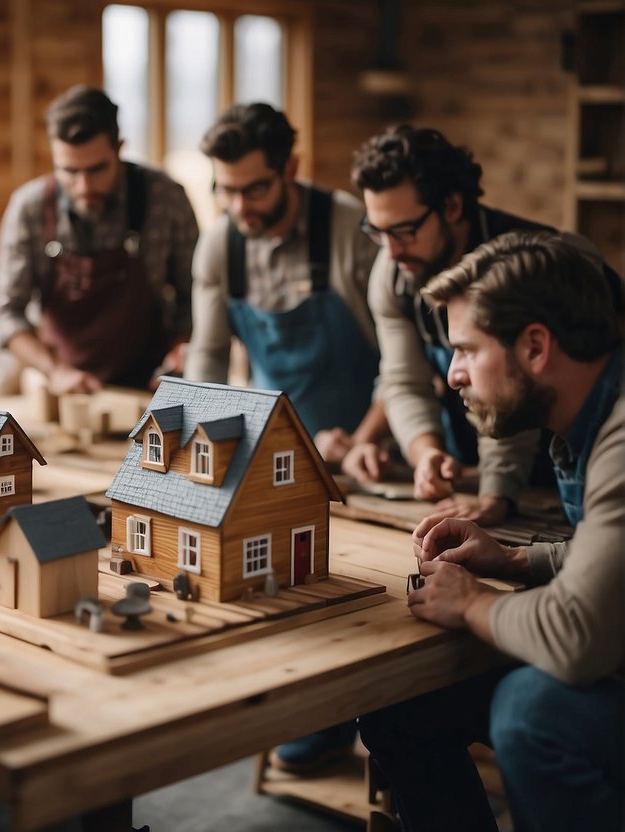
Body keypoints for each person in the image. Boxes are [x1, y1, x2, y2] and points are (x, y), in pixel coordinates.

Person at [359, 230, 623, 832]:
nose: (452, 376)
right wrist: (513, 562)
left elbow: (580, 639)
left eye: (467, 351)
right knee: (401, 700)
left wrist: (473, 602)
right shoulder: (590, 418)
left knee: (531, 712)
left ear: (535, 347)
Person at [348, 125, 622, 524]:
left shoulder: (528, 266)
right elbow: (403, 380)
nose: (390, 250)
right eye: (377, 231)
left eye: (404, 230)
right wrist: (425, 453)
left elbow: (518, 379)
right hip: (488, 457)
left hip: (580, 459)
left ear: (453, 207)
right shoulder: (393, 275)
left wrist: (497, 492)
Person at [185, 102, 384, 464]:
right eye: (226, 191)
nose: (239, 207)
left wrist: (361, 443)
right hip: (272, 455)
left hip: (372, 454)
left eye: (255, 190)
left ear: (290, 169)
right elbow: (209, 355)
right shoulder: (218, 246)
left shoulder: (351, 230)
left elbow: (403, 359)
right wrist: (200, 441)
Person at [0, 85, 198, 394]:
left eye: (97, 169)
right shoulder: (30, 208)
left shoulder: (165, 198)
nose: (84, 185)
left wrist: (181, 349)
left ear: (119, 148)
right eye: (69, 171)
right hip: (63, 387)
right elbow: (7, 315)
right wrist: (56, 371)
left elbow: (195, 295)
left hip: (152, 384)